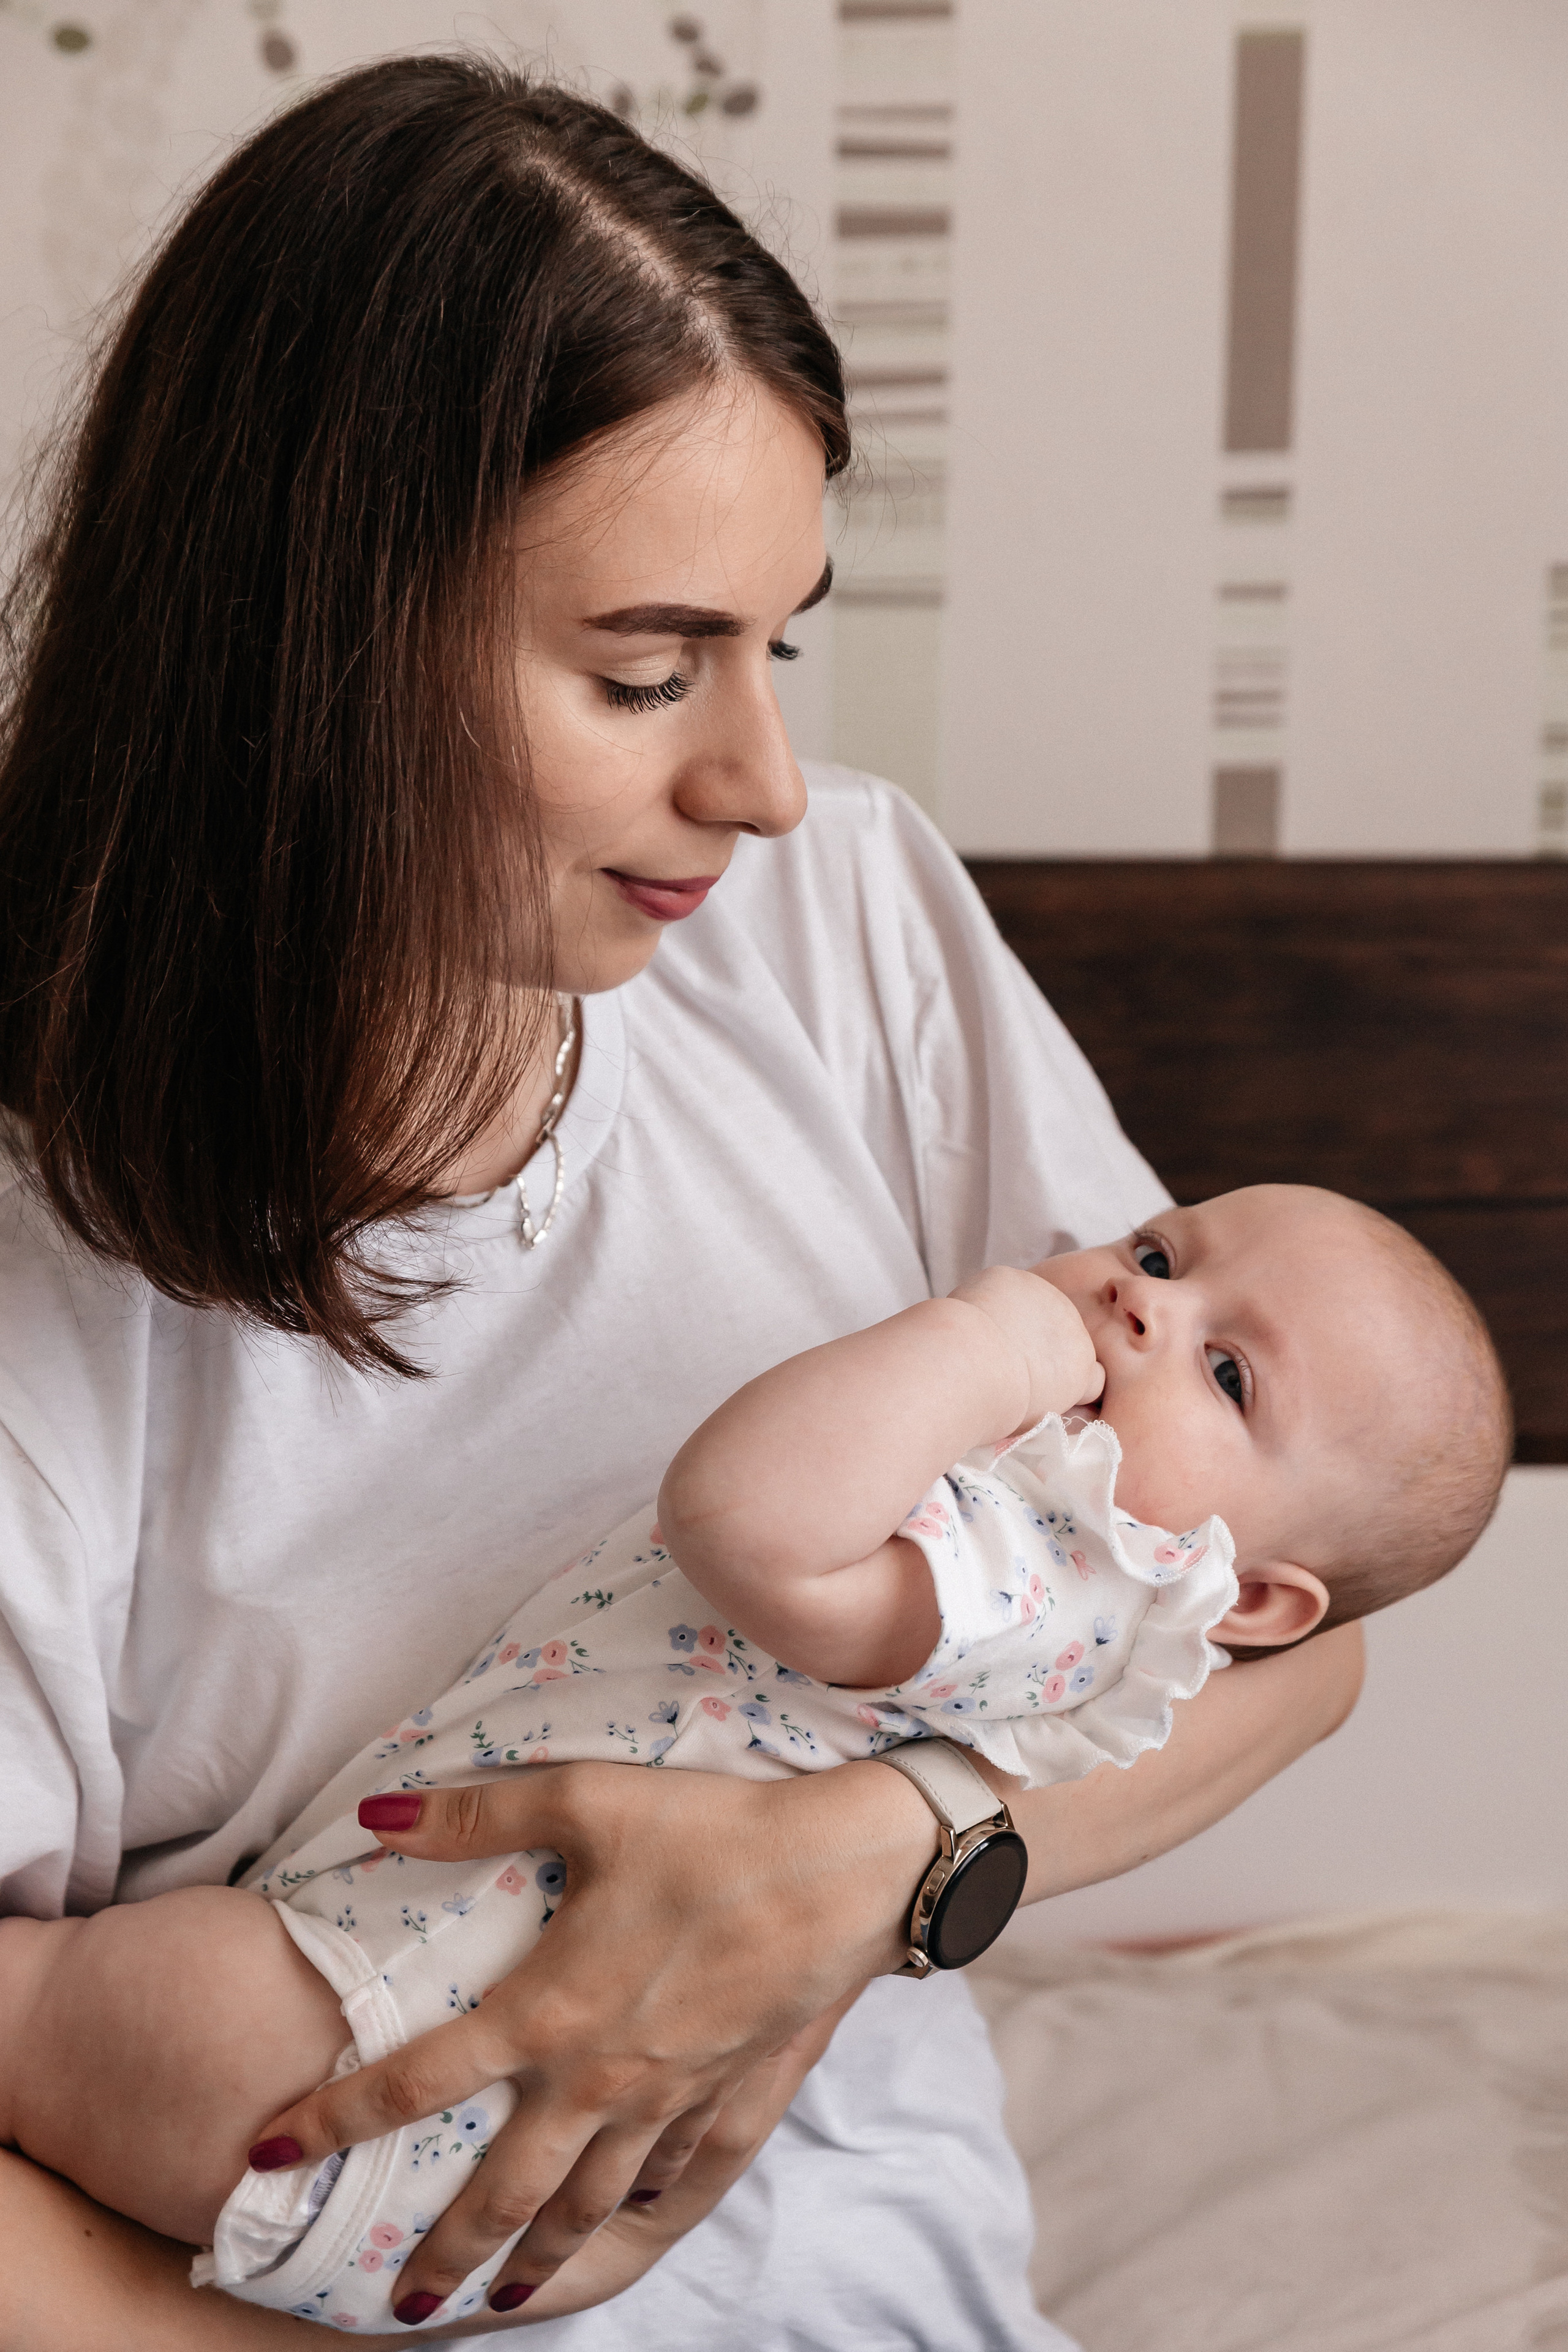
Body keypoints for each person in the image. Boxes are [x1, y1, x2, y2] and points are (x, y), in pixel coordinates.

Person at [0, 55, 1368, 2351]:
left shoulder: (848, 921)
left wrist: (885, 1861)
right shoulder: (48, 1246)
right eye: (645, 670)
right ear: (303, 646)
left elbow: (1281, 1627)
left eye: (782, 645)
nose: (759, 781)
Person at [0, 1186, 1507, 2334]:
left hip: (371, 2032)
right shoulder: (1063, 1567)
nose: (1133, 1304)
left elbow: (746, 1522)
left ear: (1240, 1601)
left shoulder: (1044, 1570)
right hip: (526, 2168)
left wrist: (990, 1335)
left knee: (48, 2002)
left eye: (1227, 1375)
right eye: (1163, 1256)